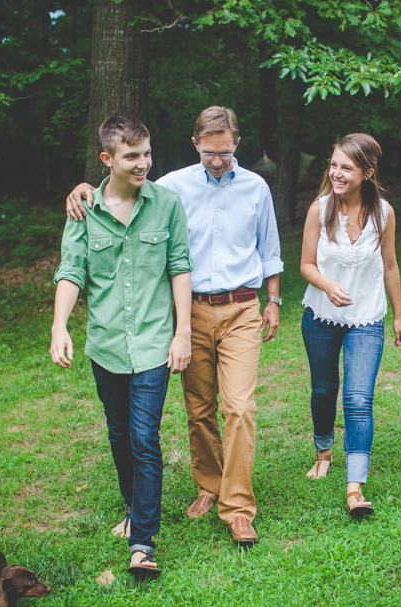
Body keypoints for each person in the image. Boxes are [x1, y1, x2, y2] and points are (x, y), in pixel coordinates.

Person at [66, 106, 283, 547]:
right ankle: (209, 485)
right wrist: (83, 188)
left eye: (225, 153)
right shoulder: (171, 186)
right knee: (199, 408)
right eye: (210, 153)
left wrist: (274, 299)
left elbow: (270, 249)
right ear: (196, 143)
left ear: (236, 145)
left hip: (242, 307)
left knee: (239, 407)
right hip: (191, 312)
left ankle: (238, 507)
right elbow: (121, 190)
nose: (218, 161)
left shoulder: (257, 187)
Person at [50, 114, 193, 576]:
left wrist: (183, 331)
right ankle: (133, 506)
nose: (143, 163)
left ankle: (143, 543)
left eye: (147, 153)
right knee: (118, 434)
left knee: (143, 437)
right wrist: (59, 326)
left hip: (154, 342)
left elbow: (179, 266)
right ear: (107, 159)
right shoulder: (83, 208)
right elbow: (71, 269)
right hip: (107, 344)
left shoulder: (167, 203)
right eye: (133, 156)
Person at [299, 133, 401, 518]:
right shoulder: (319, 209)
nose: (337, 173)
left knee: (358, 399)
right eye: (334, 165)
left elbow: (390, 265)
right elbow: (306, 265)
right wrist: (327, 285)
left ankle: (355, 486)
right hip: (320, 317)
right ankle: (324, 449)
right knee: (325, 389)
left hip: (366, 319)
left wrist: (397, 313)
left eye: (346, 167)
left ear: (367, 172)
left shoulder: (384, 213)